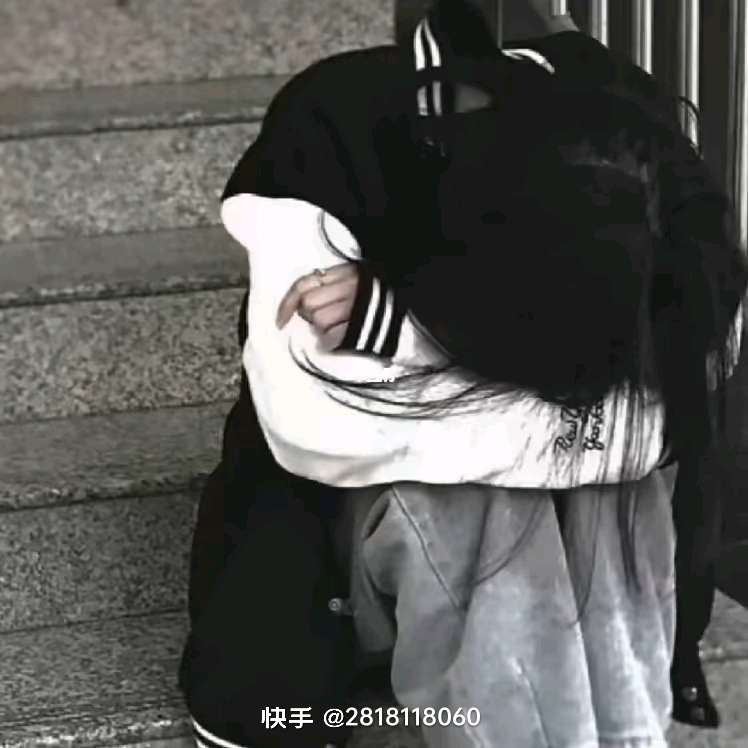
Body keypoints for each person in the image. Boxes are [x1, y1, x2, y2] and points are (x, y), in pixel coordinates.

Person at [178, 1, 746, 746]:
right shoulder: (329, 131)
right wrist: (458, 339)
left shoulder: (641, 143)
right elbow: (314, 429)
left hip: (539, 576)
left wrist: (404, 336)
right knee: (491, 499)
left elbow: (686, 396)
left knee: (598, 485)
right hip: (329, 572)